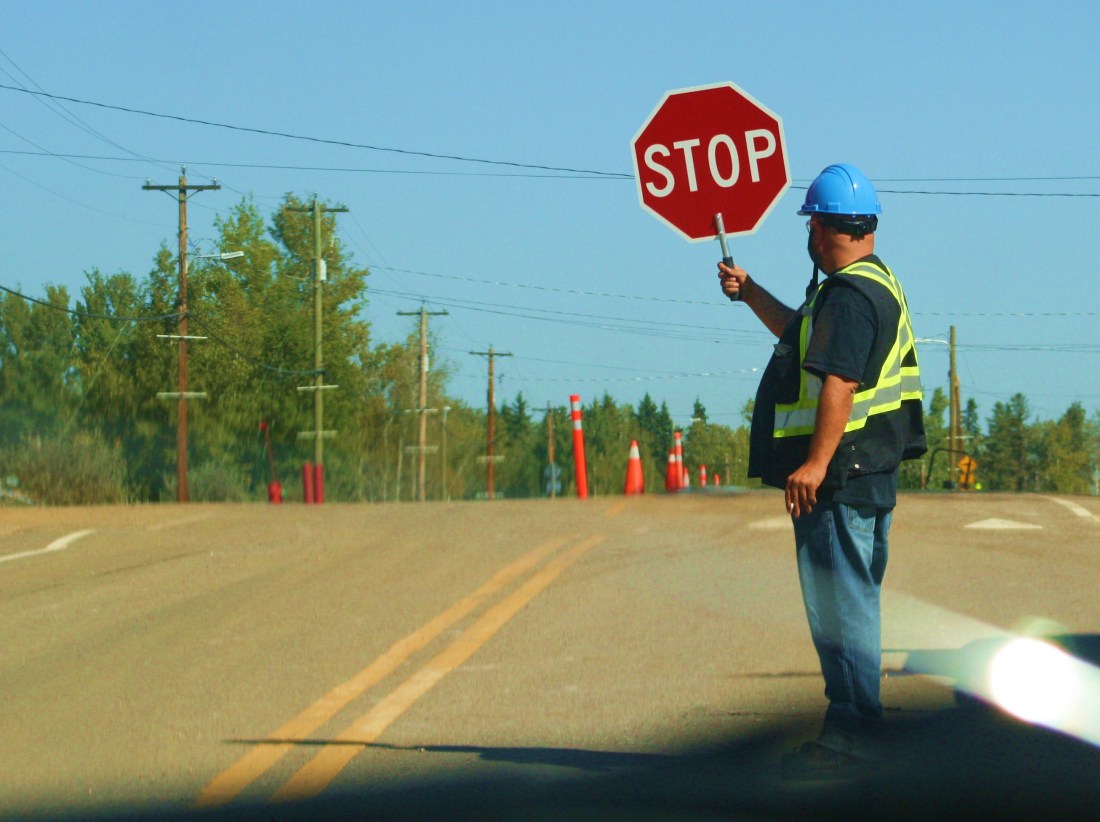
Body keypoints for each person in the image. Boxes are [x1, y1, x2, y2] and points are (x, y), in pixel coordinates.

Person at [717, 163, 926, 779]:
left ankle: (855, 736)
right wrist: (750, 290)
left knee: (842, 607)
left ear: (824, 230)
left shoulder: (848, 295)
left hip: (838, 479)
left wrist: (813, 463)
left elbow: (839, 379)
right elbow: (801, 336)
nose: (807, 237)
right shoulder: (873, 283)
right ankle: (856, 731)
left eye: (810, 225)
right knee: (851, 602)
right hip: (865, 475)